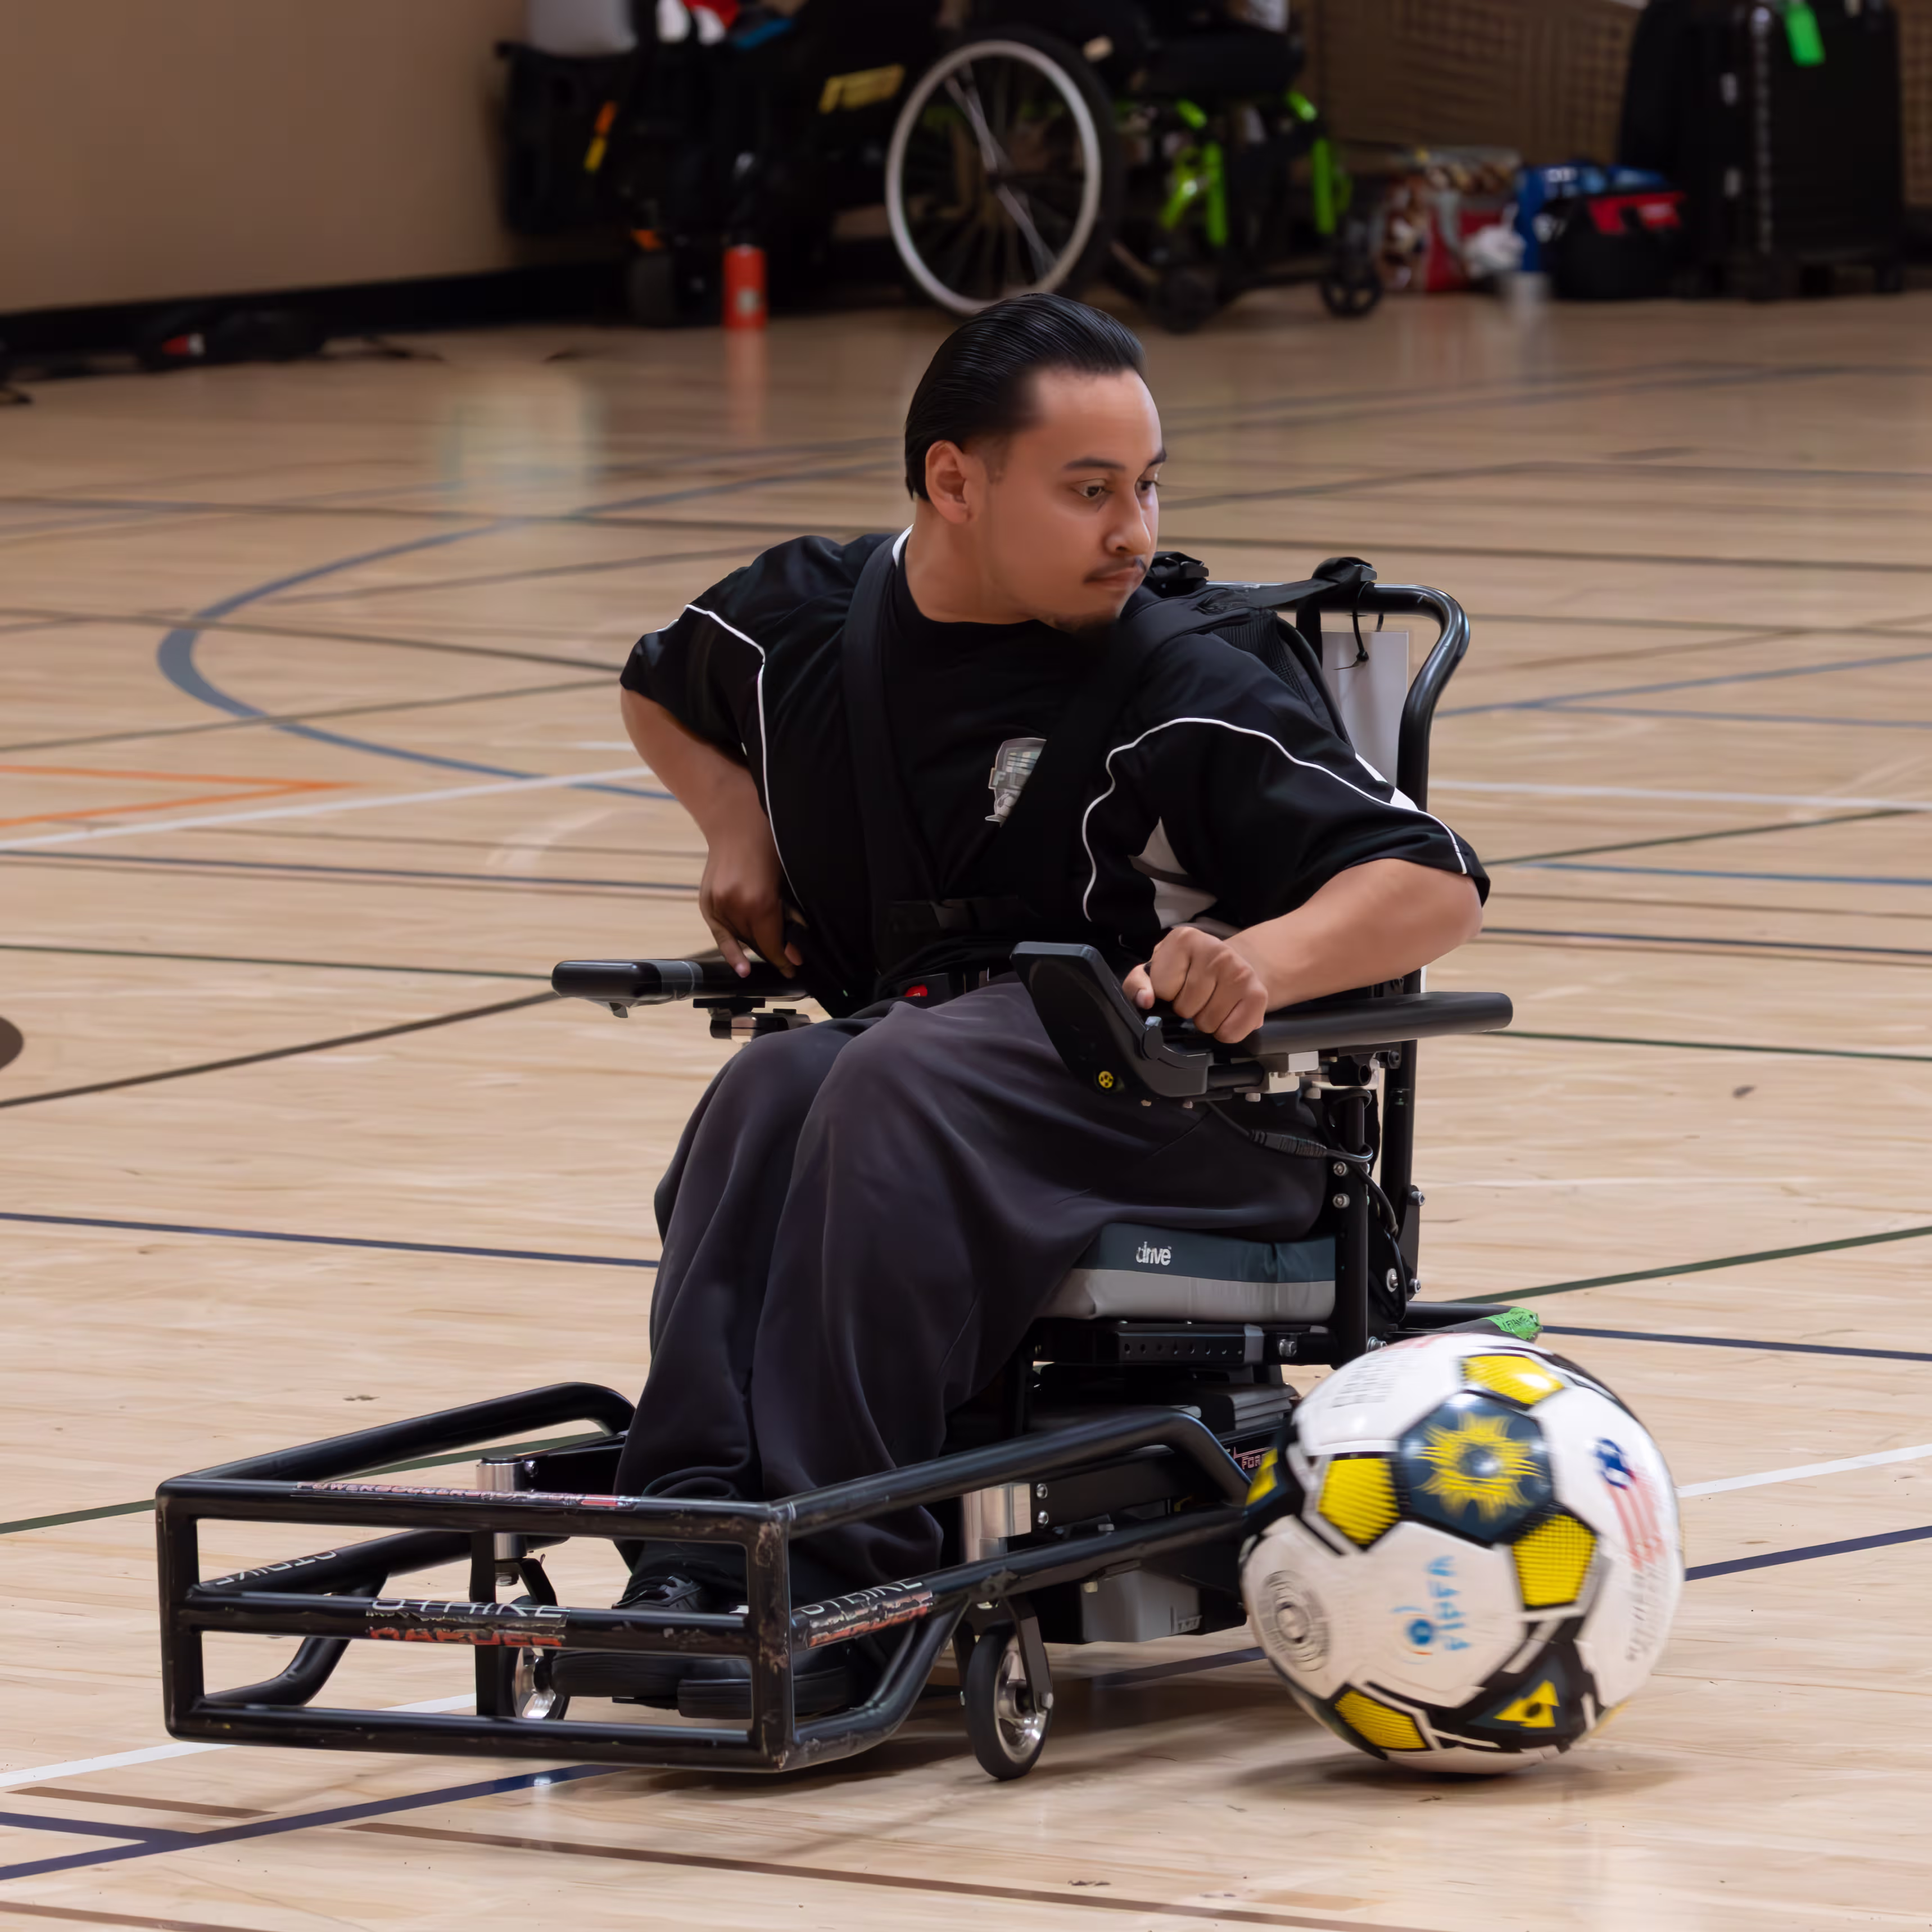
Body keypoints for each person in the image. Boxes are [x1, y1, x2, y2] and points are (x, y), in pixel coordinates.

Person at [572, 293, 1486, 1718]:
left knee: (884, 1079)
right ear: (954, 479)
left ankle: (851, 1579)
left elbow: (1428, 880)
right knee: (774, 1083)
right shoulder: (801, 621)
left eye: (1146, 485)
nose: (1132, 526)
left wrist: (1263, 959)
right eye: (1088, 489)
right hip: (926, 1064)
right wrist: (732, 819)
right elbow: (654, 683)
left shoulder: (1187, 672)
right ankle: (690, 1543)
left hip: (1174, 1110)